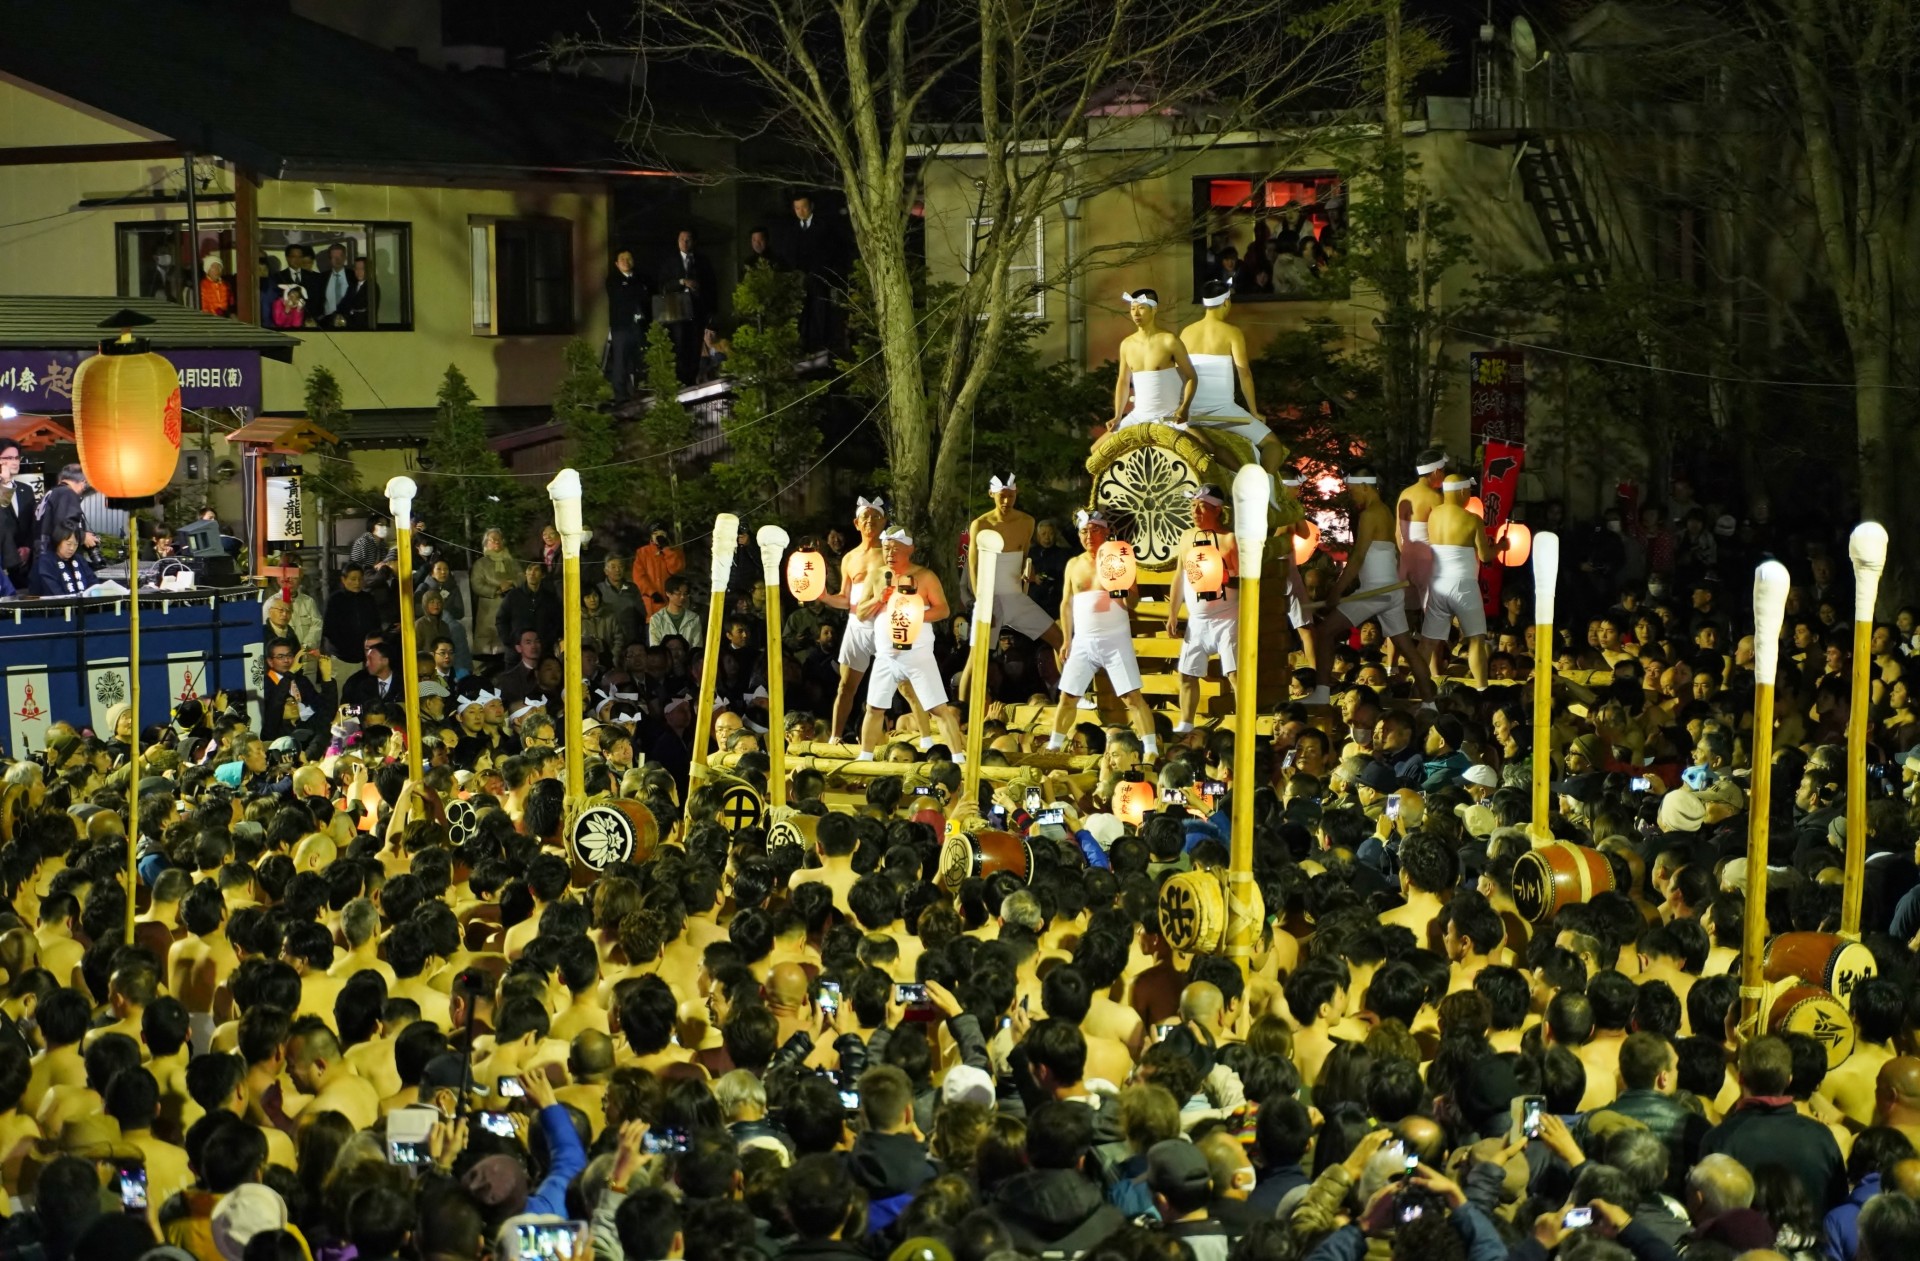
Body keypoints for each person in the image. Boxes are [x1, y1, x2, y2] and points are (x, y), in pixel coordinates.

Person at [1315, 464, 1433, 703]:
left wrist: (1336, 593)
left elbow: (1357, 558)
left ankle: (1321, 693)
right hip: (1389, 591)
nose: (1353, 495)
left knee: (1325, 632)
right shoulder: (1385, 512)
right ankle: (1430, 703)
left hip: (1375, 592)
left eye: (1353, 490)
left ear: (1365, 487)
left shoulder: (1371, 514)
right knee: (1408, 650)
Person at [1047, 511, 1160, 758]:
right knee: (1068, 696)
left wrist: (1119, 589)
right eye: (1084, 531)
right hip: (1083, 640)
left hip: (1115, 637)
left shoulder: (1119, 557)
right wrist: (1067, 638)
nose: (1089, 536)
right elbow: (1066, 604)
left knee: (1132, 697)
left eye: (1095, 529)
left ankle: (1151, 747)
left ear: (1106, 531)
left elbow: (1133, 601)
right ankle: (1053, 745)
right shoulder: (1073, 564)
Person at [857, 529, 964, 758]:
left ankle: (958, 757)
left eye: (896, 548)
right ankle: (864, 756)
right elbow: (861, 613)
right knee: (874, 708)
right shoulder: (877, 576)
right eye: (886, 548)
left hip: (917, 653)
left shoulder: (924, 576)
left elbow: (943, 609)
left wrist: (913, 615)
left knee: (938, 709)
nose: (890, 553)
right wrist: (879, 599)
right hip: (885, 654)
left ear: (910, 549)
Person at [959, 475, 1063, 696]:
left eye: (1011, 496)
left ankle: (1068, 695)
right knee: (977, 658)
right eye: (1002, 496)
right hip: (990, 597)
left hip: (1015, 596)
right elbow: (974, 566)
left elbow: (1025, 556)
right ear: (992, 495)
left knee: (1060, 639)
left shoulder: (1027, 522)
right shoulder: (981, 524)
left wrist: (1028, 571)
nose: (1006, 501)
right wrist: (983, 604)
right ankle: (962, 710)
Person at [1180, 280, 1281, 473]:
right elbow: (1244, 373)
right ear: (1226, 302)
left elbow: (1180, 375)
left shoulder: (1186, 332)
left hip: (1191, 413)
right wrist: (1254, 411)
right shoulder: (1232, 333)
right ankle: (1263, 486)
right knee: (1272, 444)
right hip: (1223, 412)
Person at [1166, 485, 1241, 733]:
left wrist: (1220, 575)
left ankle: (1243, 721)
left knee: (1234, 674)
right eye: (1193, 506)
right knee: (1186, 675)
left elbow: (1245, 580)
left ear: (1217, 510)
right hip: (1197, 620)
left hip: (1227, 617)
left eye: (1202, 506)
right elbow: (1179, 575)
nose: (1195, 512)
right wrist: (1173, 613)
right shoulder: (1187, 537)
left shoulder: (1229, 539)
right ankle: (1186, 723)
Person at [1421, 474, 1495, 690]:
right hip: (1464, 585)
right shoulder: (1472, 519)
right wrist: (1500, 546)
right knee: (1475, 640)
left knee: (1428, 641)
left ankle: (1419, 686)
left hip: (1437, 584)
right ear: (1463, 492)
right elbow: (1485, 556)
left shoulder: (1433, 515)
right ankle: (1481, 688)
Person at [1107, 288, 1195, 431]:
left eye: (1141, 308)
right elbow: (1123, 381)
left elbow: (1191, 377)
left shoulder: (1170, 340)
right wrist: (1117, 416)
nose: (1135, 313)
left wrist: (1184, 408)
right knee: (1096, 450)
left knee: (1204, 445)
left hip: (1169, 417)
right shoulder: (1127, 344)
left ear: (1154, 309)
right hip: (1138, 417)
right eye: (1132, 308)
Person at [658, 229, 715, 385]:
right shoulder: (670, 262)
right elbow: (662, 286)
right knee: (680, 345)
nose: (685, 242)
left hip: (697, 310)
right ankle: (680, 380)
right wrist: (681, 282)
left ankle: (691, 379)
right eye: (681, 239)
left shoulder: (702, 261)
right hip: (677, 310)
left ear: (693, 242)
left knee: (695, 345)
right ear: (677, 242)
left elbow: (711, 286)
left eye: (688, 239)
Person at [606, 248, 649, 401]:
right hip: (621, 326)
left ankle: (638, 390)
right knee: (621, 360)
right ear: (617, 264)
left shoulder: (640, 278)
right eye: (622, 259)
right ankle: (620, 395)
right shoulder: (613, 280)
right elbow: (623, 296)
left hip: (639, 325)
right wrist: (634, 291)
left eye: (628, 258)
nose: (626, 261)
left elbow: (645, 296)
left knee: (639, 359)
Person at [0, 440, 37, 588]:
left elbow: (32, 523)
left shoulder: (26, 489)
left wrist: (27, 547)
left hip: (25, 561)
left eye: (16, 458)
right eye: (8, 458)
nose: (14, 462)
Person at [631, 525, 686, 621]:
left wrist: (667, 549)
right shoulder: (642, 552)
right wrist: (652, 592)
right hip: (652, 604)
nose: (658, 536)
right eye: (655, 534)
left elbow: (676, 569)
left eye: (661, 533)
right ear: (651, 536)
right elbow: (638, 577)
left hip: (671, 601)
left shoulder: (675, 551)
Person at [36, 464, 93, 555]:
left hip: (42, 551)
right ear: (83, 482)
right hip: (56, 554)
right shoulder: (67, 493)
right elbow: (64, 526)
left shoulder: (51, 493)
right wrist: (83, 536)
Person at [30, 527, 94, 596]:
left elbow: (93, 582)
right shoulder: (45, 562)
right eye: (68, 544)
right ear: (58, 541)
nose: (72, 548)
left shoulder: (79, 559)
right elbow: (53, 591)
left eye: (75, 544)